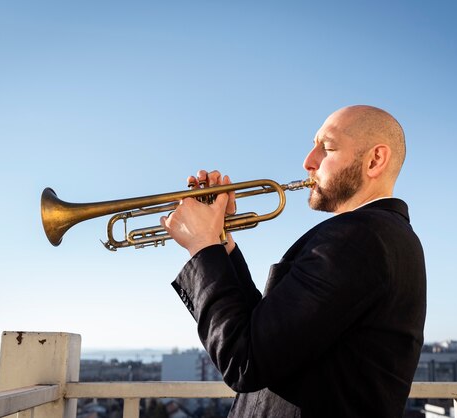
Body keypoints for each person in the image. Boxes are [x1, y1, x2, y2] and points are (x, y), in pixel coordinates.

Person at [160, 105, 426, 417]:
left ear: (375, 160)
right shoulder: (380, 235)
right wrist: (218, 240)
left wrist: (202, 246)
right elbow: (268, 335)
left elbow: (244, 360)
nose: (308, 162)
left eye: (326, 148)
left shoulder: (356, 238)